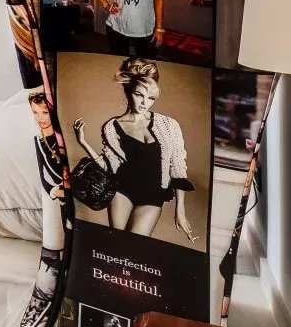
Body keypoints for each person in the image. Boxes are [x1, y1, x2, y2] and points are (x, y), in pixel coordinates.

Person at [71, 58, 197, 242]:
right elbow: (109, 166)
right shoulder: (112, 126)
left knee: (135, 247)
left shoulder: (169, 125)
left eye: (151, 98)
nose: (145, 103)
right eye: (139, 95)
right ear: (129, 91)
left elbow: (177, 168)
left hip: (152, 194)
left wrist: (180, 211)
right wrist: (83, 143)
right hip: (122, 191)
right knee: (117, 244)